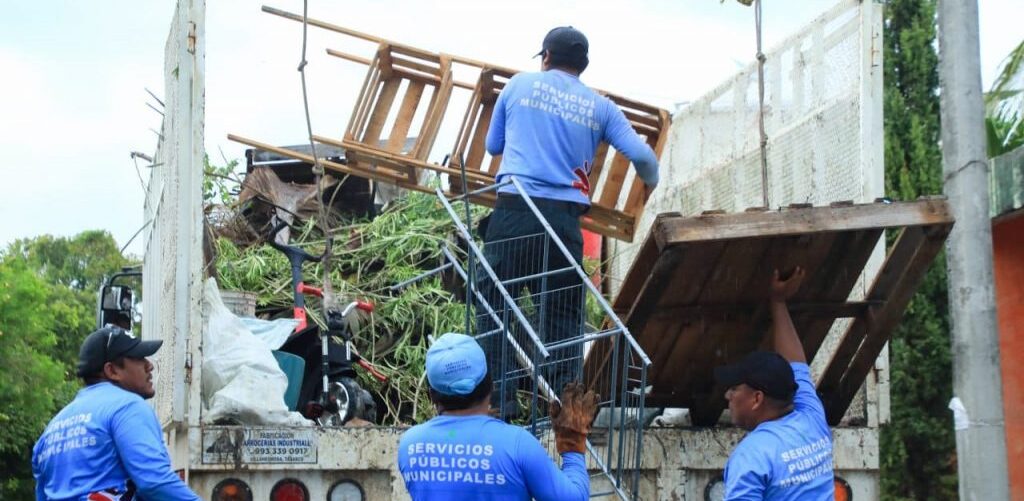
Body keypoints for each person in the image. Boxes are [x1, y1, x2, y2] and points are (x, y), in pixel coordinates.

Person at [478, 25, 660, 416]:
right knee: (561, 313)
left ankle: (501, 402)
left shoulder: (518, 86)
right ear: (585, 65)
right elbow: (643, 158)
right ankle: (560, 408)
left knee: (495, 303)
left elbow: (492, 146)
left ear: (545, 58)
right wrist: (652, 184)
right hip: (563, 223)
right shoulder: (601, 107)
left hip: (514, 213)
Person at [398, 333, 599, 500]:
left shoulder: (410, 445)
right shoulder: (518, 444)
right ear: (491, 385)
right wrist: (573, 447)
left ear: (431, 395)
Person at [32, 326, 201, 501]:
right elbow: (155, 482)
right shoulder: (127, 406)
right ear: (112, 371)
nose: (149, 365)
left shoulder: (50, 431)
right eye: (138, 358)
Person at [714, 267, 835, 500]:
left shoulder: (751, 457)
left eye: (735, 389)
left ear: (757, 398)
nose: (727, 396)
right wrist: (778, 301)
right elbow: (797, 364)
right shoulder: (811, 416)